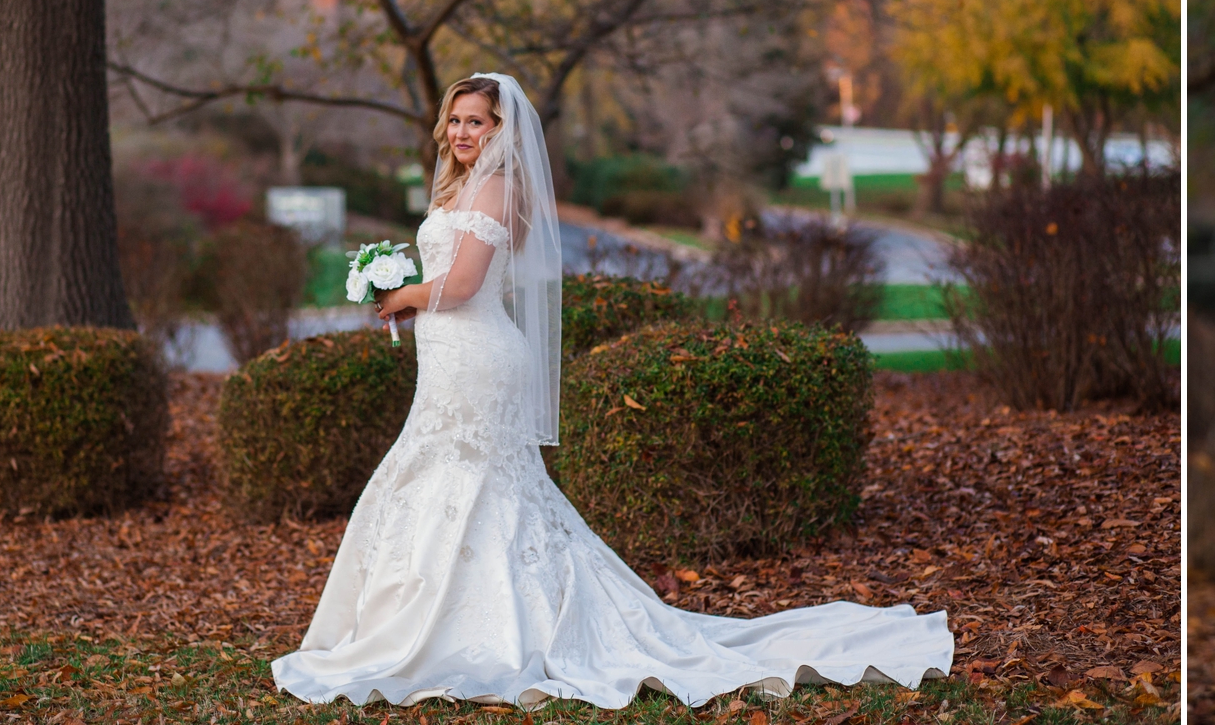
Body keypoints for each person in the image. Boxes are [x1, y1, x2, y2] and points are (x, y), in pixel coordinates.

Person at [270, 73, 952, 709]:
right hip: (453, 355)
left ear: (503, 128)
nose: (461, 133)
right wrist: (408, 295)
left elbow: (466, 286)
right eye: (454, 120)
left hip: (477, 356)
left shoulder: (499, 188)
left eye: (476, 121)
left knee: (472, 481)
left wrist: (400, 294)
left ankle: (482, 630)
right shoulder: (466, 186)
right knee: (459, 480)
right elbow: (457, 280)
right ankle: (435, 618)